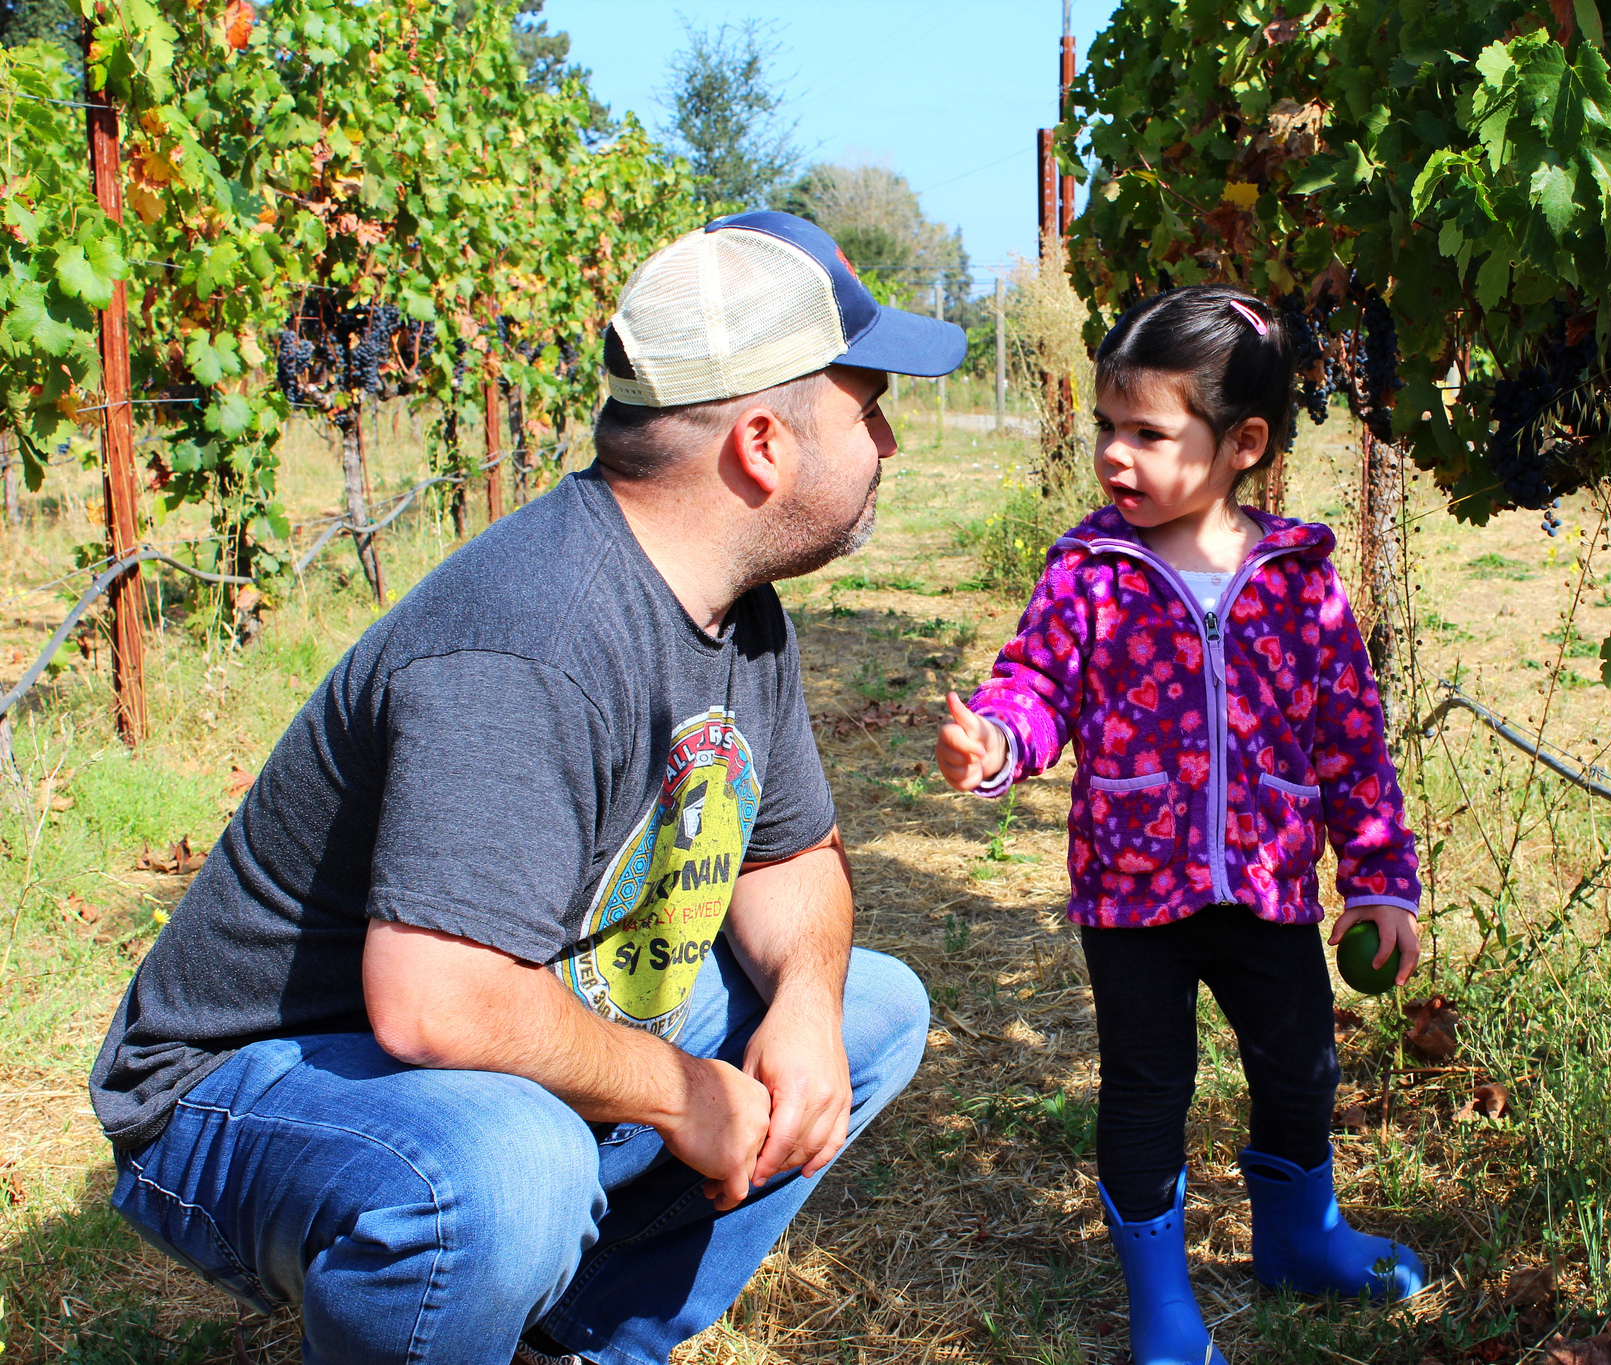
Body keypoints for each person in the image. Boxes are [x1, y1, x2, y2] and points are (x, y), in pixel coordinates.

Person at [89, 211, 962, 1365]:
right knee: (503, 1169)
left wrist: (802, 1006)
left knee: (869, 1009)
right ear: (763, 443)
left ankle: (576, 1342)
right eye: (867, 407)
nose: (888, 444)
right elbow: (434, 1002)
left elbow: (791, 856)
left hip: (482, 1028)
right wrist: (680, 1095)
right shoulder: (532, 639)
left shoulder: (734, 606)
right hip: (260, 1080)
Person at [934, 284, 1428, 1364]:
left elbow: (1351, 740)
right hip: (1133, 892)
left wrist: (1380, 878)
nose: (1115, 454)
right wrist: (997, 743)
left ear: (1240, 443)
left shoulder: (1300, 585)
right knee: (1146, 1088)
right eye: (1108, 428)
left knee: (1299, 1069)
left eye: (1147, 433)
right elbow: (1035, 688)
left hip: (1268, 885)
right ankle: (1161, 1300)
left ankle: (1302, 1238)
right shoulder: (1088, 571)